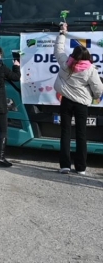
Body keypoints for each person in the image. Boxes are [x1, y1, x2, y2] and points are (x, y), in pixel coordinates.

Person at [54, 23, 103, 175]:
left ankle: (64, 166)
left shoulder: (64, 63)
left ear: (73, 55)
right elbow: (98, 87)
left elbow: (58, 49)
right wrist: (95, 97)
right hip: (82, 104)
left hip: (66, 102)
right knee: (81, 134)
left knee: (65, 133)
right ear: (88, 57)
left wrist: (62, 33)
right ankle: (81, 167)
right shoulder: (90, 69)